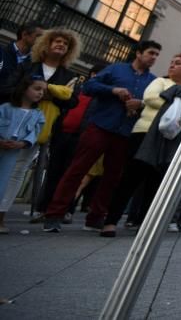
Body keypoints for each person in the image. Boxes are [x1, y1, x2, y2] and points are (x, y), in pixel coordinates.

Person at [42, 40, 161, 233]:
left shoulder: (153, 82)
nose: (154, 58)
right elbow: (89, 86)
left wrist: (140, 105)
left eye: (156, 55)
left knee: (112, 177)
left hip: (125, 133)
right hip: (100, 126)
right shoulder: (115, 70)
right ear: (139, 53)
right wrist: (113, 90)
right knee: (77, 170)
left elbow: (152, 106)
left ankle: (96, 217)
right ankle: (55, 214)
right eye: (151, 53)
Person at [101, 54, 181, 236]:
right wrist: (180, 100)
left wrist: (169, 99)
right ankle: (111, 221)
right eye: (171, 62)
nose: (172, 66)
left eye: (177, 63)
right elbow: (149, 98)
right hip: (144, 133)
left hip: (172, 139)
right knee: (130, 179)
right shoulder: (160, 82)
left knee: (156, 183)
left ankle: (144, 223)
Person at [0, 28, 81, 219]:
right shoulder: (28, 66)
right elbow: (6, 88)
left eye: (65, 43)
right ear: (46, 44)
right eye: (57, 41)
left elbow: (72, 101)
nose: (61, 45)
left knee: (19, 169)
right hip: (11, 121)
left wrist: (50, 93)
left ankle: (1, 214)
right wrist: (30, 92)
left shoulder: (68, 76)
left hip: (40, 127)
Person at [36, 63, 107, 222]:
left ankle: (66, 210)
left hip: (81, 137)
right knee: (53, 171)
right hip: (62, 134)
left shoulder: (102, 96)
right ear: (92, 74)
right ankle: (44, 208)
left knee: (72, 174)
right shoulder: (77, 88)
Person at [0, 73, 46, 233]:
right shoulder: (5, 108)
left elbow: (34, 133)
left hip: (15, 153)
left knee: (7, 182)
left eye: (43, 91)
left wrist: (22, 143)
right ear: (24, 88)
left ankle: (1, 217)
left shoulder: (38, 114)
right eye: (37, 88)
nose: (40, 93)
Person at [0, 22, 42, 90]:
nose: (41, 40)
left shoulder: (35, 62)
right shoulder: (3, 52)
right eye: (38, 36)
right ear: (24, 34)